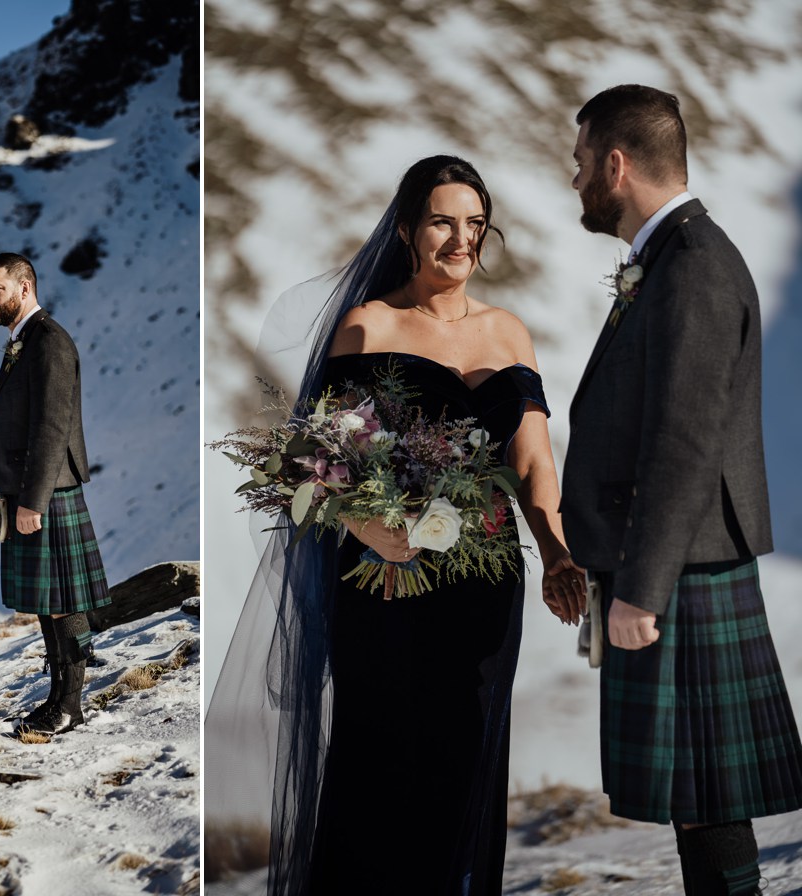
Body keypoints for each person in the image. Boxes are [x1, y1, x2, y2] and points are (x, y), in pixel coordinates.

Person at [207, 155, 584, 894]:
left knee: (462, 760)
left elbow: (534, 460)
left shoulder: (511, 333)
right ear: (408, 229)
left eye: (474, 224)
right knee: (380, 764)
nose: (461, 239)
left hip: (484, 576)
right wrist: (365, 525)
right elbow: (312, 460)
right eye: (444, 221)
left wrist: (557, 553)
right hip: (385, 578)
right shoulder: (368, 324)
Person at [560, 84, 802, 895]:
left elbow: (686, 443)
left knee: (706, 790)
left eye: (582, 161)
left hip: (684, 567)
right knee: (697, 794)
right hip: (679, 560)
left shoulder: (693, 268)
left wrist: (641, 589)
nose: (576, 177)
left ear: (617, 165)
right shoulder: (671, 258)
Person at [0, 251, 111, 736]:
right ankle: (58, 698)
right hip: (31, 489)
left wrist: (32, 500)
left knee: (62, 601)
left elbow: (52, 427)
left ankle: (70, 705)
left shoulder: (49, 341)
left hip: (46, 493)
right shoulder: (24, 340)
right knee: (50, 602)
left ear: (24, 287)